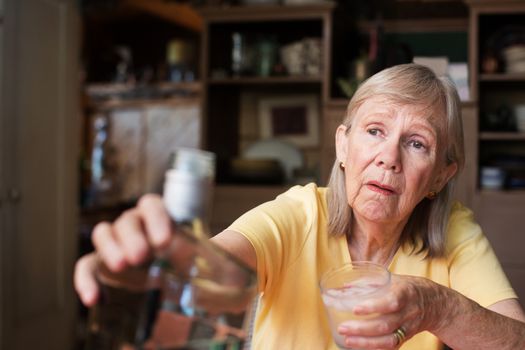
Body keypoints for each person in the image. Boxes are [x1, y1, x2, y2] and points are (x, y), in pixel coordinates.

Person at [75, 64, 525, 349]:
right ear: (342, 147)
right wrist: (141, 265)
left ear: (441, 176)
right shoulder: (297, 214)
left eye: (416, 143)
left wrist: (437, 307)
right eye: (373, 131)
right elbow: (209, 267)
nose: (389, 157)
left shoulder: (456, 233)